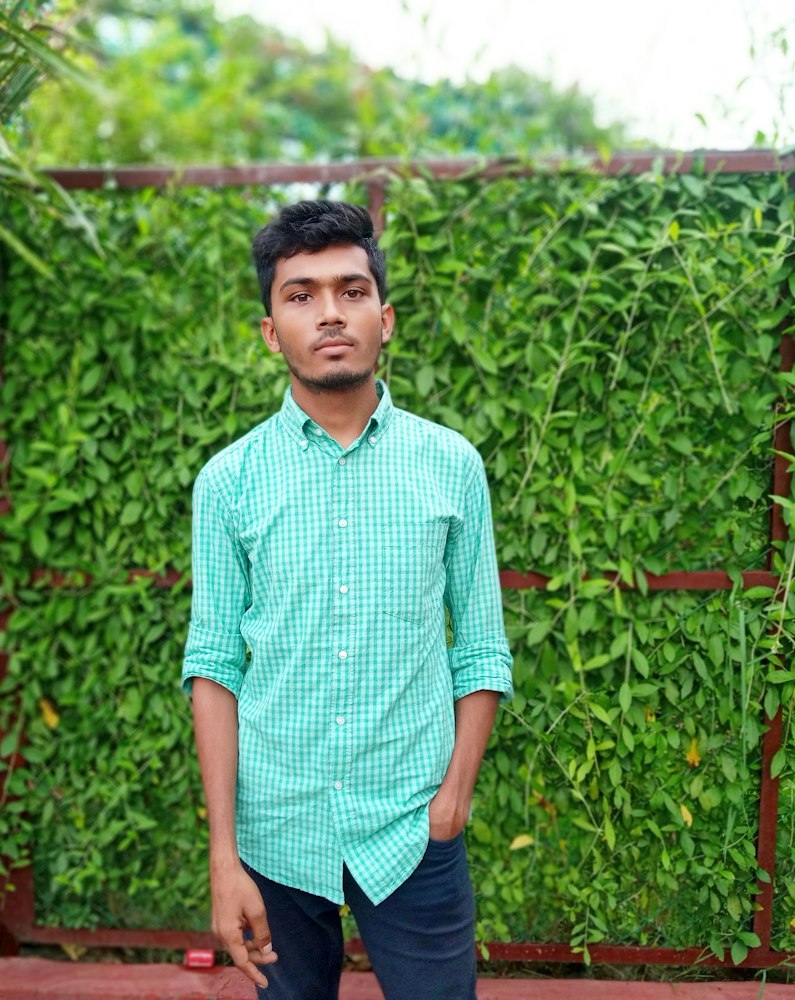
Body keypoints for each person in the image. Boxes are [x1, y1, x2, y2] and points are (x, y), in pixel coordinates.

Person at [181, 199, 513, 1000]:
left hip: (413, 823)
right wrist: (224, 859)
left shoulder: (451, 464)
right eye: (300, 295)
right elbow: (214, 666)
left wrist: (454, 798)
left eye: (351, 290)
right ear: (270, 331)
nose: (330, 313)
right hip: (275, 829)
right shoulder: (228, 483)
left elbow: (481, 646)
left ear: (385, 317)